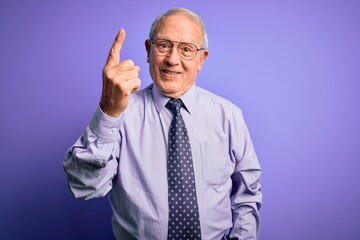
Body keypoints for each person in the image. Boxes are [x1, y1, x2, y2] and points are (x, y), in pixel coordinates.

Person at [63, 8, 262, 240]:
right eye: (164, 45)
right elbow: (85, 186)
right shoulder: (119, 114)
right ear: (148, 51)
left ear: (201, 59)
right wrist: (108, 111)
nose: (172, 59)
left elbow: (247, 195)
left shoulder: (229, 116)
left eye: (186, 49)